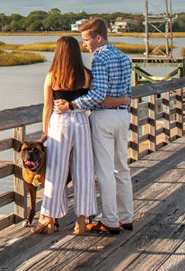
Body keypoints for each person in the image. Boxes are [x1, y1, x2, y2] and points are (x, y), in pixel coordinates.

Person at [54, 17, 133, 234]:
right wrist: (122, 102)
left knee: (105, 170)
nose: (86, 45)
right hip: (123, 117)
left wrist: (71, 105)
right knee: (122, 168)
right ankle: (126, 217)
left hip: (104, 118)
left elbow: (98, 95)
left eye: (87, 40)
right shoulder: (125, 58)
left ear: (99, 38)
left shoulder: (99, 58)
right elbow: (128, 95)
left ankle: (109, 219)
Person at [33, 36, 96, 234]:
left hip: (59, 124)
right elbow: (92, 101)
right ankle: (82, 219)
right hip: (81, 122)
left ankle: (49, 218)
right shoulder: (86, 75)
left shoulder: (53, 75)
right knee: (83, 171)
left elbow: (48, 106)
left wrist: (45, 131)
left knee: (56, 172)